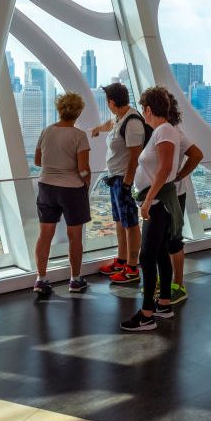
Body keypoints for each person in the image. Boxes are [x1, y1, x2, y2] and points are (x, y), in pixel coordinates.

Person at [121, 87, 182, 331]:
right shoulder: (163, 131)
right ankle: (164, 304)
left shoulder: (164, 131)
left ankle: (146, 314)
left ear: (148, 109)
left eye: (143, 109)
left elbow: (165, 168)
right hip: (159, 203)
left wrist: (147, 201)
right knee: (159, 254)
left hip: (158, 204)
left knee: (147, 256)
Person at [33, 93, 92, 295]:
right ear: (78, 112)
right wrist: (86, 181)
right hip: (72, 189)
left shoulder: (47, 131)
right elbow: (83, 169)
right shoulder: (79, 136)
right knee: (74, 236)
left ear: (60, 109)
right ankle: (75, 280)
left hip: (46, 186)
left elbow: (38, 161)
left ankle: (41, 280)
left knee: (45, 235)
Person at [91, 83, 144, 283]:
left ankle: (132, 267)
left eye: (107, 101)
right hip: (115, 179)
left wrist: (128, 183)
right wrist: (97, 129)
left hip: (123, 180)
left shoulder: (132, 122)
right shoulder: (119, 118)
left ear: (111, 102)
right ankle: (122, 260)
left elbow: (135, 155)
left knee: (130, 223)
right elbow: (109, 125)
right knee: (120, 222)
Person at [167, 92, 203, 304]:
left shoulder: (175, 133)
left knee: (173, 240)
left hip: (173, 195)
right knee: (166, 241)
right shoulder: (167, 131)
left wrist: (180, 175)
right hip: (168, 194)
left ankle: (178, 285)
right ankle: (168, 283)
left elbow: (197, 155)